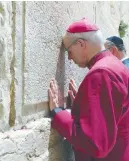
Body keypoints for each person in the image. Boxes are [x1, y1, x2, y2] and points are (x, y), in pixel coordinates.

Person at [48, 18, 129, 161]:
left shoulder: (102, 73)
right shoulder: (113, 65)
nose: (69, 57)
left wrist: (58, 113)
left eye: (69, 50)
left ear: (81, 44)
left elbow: (96, 144)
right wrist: (84, 106)